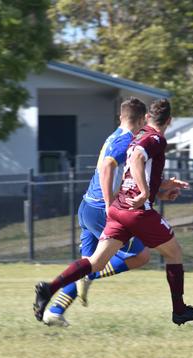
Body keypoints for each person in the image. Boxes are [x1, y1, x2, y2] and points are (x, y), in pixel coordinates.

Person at [33, 99, 193, 326]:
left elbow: (131, 174)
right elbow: (127, 163)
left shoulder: (133, 136)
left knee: (94, 262)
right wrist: (144, 194)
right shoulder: (151, 138)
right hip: (116, 209)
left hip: (108, 208)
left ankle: (50, 290)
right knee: (170, 253)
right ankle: (179, 310)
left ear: (146, 118)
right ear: (169, 121)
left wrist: (159, 189)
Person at [42, 97, 152, 327]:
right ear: (142, 120)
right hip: (101, 210)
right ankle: (89, 276)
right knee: (140, 255)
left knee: (88, 262)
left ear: (121, 117)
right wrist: (111, 203)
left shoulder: (114, 136)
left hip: (87, 207)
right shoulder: (126, 140)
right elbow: (107, 167)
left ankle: (55, 310)